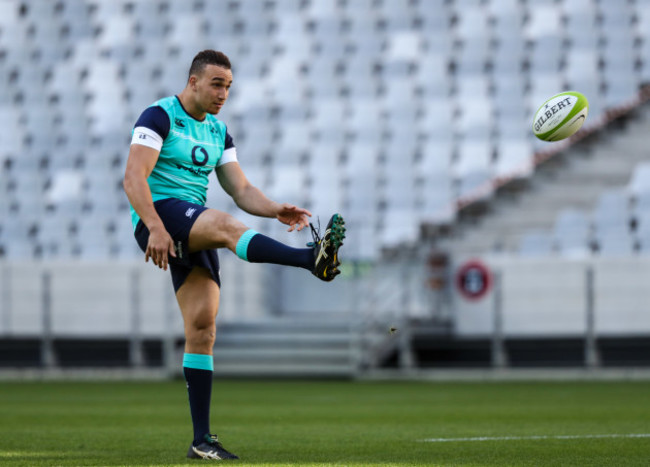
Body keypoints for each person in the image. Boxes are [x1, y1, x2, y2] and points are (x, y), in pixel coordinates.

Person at [123, 49, 345, 460]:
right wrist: (154, 226)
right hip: (162, 215)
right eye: (216, 84)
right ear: (193, 81)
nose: (223, 93)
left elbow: (241, 190)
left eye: (228, 86)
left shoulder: (218, 132)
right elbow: (133, 177)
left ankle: (201, 441)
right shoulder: (159, 116)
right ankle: (310, 260)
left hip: (192, 227)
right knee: (226, 227)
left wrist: (275, 207)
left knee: (203, 330)